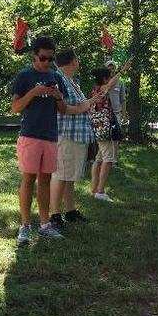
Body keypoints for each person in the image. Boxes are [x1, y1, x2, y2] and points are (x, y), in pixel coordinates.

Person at [12, 36, 68, 245]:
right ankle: (25, 225)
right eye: (43, 58)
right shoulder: (24, 76)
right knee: (28, 179)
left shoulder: (56, 77)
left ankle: (45, 225)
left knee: (45, 180)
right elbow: (16, 107)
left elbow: (63, 109)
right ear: (34, 56)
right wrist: (34, 92)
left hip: (50, 136)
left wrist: (57, 96)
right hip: (30, 135)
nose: (47, 63)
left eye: (50, 59)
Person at [48, 49, 103, 229]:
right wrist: (85, 105)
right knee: (61, 174)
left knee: (70, 175)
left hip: (77, 134)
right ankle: (54, 215)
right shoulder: (58, 77)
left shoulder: (71, 80)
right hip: (66, 133)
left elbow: (79, 103)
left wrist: (91, 100)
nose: (79, 62)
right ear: (72, 61)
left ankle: (70, 210)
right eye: (77, 59)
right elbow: (63, 107)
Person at [89, 67, 121, 202]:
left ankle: (94, 188)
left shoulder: (94, 89)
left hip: (98, 128)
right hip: (105, 129)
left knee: (99, 158)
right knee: (108, 158)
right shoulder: (102, 89)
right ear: (104, 79)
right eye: (109, 76)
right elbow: (112, 83)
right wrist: (122, 70)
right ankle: (100, 191)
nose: (111, 79)